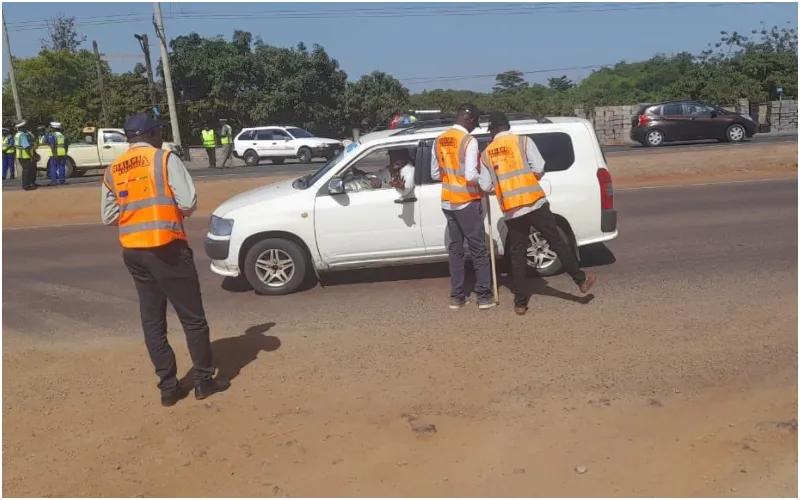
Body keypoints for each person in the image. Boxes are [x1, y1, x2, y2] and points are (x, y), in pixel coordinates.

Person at [101, 113, 230, 406]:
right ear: (153, 133)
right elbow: (187, 203)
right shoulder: (164, 159)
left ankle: (168, 388)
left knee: (153, 322)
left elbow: (108, 215)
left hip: (134, 252)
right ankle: (202, 382)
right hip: (167, 247)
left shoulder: (114, 169)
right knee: (192, 319)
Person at [479, 112, 596, 315]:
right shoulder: (523, 142)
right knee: (557, 242)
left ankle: (521, 302)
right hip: (535, 203)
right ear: (506, 127)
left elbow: (485, 185)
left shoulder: (487, 154)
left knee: (517, 255)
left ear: (492, 130)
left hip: (513, 211)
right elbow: (540, 167)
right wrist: (527, 179)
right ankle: (580, 280)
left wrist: (503, 187)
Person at [430, 103, 495, 310]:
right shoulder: (469, 141)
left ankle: (457, 297)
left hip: (447, 202)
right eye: (475, 122)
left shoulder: (439, 140)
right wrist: (485, 180)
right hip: (466, 201)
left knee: (456, 250)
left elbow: (434, 174)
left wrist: (450, 175)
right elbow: (469, 176)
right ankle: (484, 296)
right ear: (469, 119)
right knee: (478, 250)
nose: (475, 126)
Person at [14, 121, 38, 190]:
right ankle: (26, 185)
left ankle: (30, 183)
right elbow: (27, 147)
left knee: (28, 170)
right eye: (24, 127)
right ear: (21, 128)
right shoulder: (22, 135)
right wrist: (31, 156)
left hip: (22, 155)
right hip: (24, 155)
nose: (26, 128)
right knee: (27, 170)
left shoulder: (18, 134)